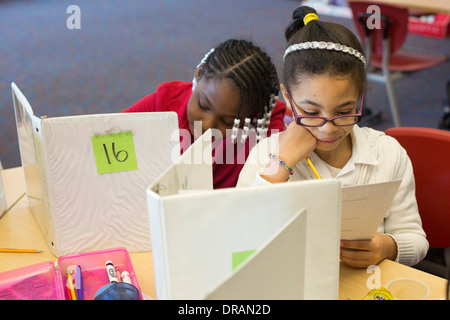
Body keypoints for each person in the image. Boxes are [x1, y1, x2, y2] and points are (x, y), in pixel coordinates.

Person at [237, 6, 428, 268]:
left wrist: (388, 246)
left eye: (345, 111)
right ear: (287, 97)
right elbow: (239, 238)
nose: (328, 128)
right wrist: (280, 164)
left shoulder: (387, 154)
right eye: (311, 112)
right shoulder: (266, 154)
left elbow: (416, 239)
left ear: (360, 98)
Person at [124, 39, 286, 189]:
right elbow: (108, 140)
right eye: (203, 105)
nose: (207, 124)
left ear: (252, 116)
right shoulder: (166, 101)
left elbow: (270, 193)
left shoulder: (263, 125)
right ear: (199, 73)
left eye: (228, 122)